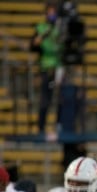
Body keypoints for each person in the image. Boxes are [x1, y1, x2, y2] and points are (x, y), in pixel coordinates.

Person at [29, 2, 62, 135]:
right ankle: (41, 127)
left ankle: (59, 126)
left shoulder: (60, 28)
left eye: (54, 12)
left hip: (59, 68)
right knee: (45, 100)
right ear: (46, 13)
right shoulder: (41, 27)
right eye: (50, 12)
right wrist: (44, 34)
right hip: (46, 68)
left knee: (61, 99)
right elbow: (33, 45)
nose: (52, 15)